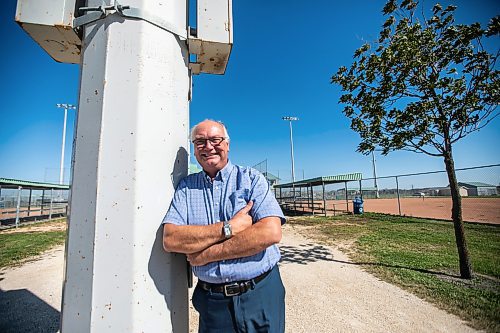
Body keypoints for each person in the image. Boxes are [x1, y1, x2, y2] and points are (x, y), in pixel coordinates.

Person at [162, 119, 286, 333]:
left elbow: (270, 232)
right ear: (194, 149)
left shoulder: (251, 180)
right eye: (200, 141)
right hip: (213, 302)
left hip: (261, 292)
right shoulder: (185, 188)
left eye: (215, 139)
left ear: (227, 144)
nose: (208, 146)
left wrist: (206, 255)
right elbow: (171, 239)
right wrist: (229, 227)